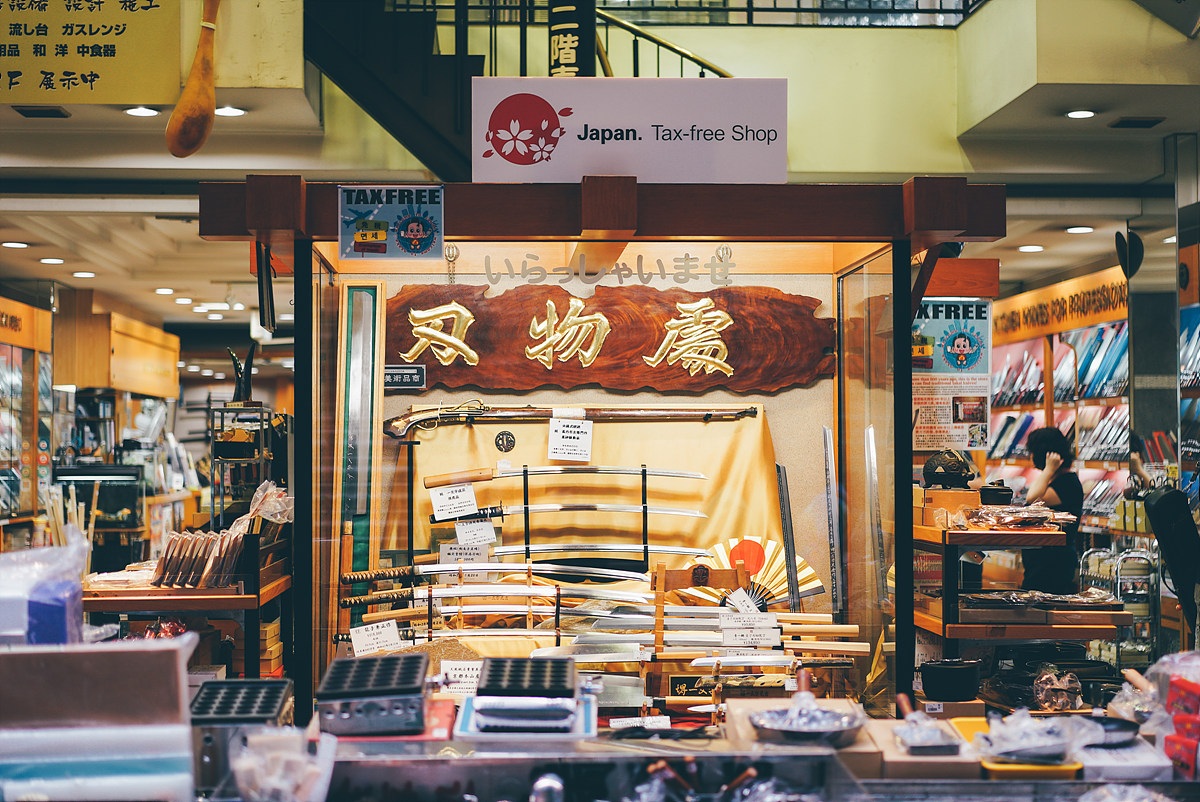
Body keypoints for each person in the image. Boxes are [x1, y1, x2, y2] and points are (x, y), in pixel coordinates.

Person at [1021, 427, 1084, 595]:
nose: (1031, 457)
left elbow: (1032, 499)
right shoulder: (1055, 481)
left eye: (1033, 451)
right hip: (1043, 560)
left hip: (1053, 563)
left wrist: (1048, 470)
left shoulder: (1068, 483)